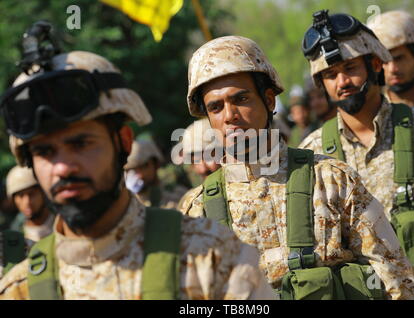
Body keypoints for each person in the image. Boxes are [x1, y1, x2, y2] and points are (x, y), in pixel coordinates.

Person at [0, 22, 275, 300]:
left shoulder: (211, 259)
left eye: (81, 144)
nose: (62, 167)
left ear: (124, 142)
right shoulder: (19, 290)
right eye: (45, 152)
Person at [178, 34, 414, 299]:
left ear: (269, 100)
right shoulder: (196, 211)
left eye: (241, 99)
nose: (229, 115)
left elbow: (396, 280)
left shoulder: (331, 181)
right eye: (215, 107)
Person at [299, 10, 414, 299]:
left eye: (351, 68)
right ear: (321, 84)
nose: (342, 81)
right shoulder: (311, 155)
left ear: (376, 64)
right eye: (330, 75)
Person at [124, 138, 188, 208]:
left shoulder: (178, 194)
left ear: (156, 164)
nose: (139, 175)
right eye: (131, 170)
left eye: (143, 167)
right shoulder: (129, 205)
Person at [6, 166, 54, 243]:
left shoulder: (63, 223)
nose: (27, 202)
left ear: (42, 192)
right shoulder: (14, 235)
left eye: (32, 194)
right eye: (21, 196)